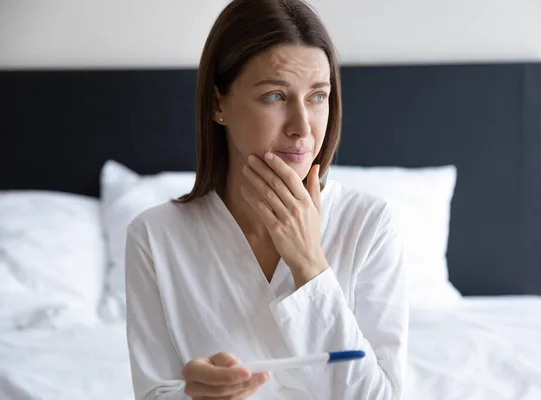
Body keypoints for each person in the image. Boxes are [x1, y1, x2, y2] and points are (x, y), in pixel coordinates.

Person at [124, 0, 408, 399]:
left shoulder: (369, 224)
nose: (302, 127)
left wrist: (309, 263)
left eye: (317, 96)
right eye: (276, 96)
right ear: (218, 103)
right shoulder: (154, 236)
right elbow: (155, 393)